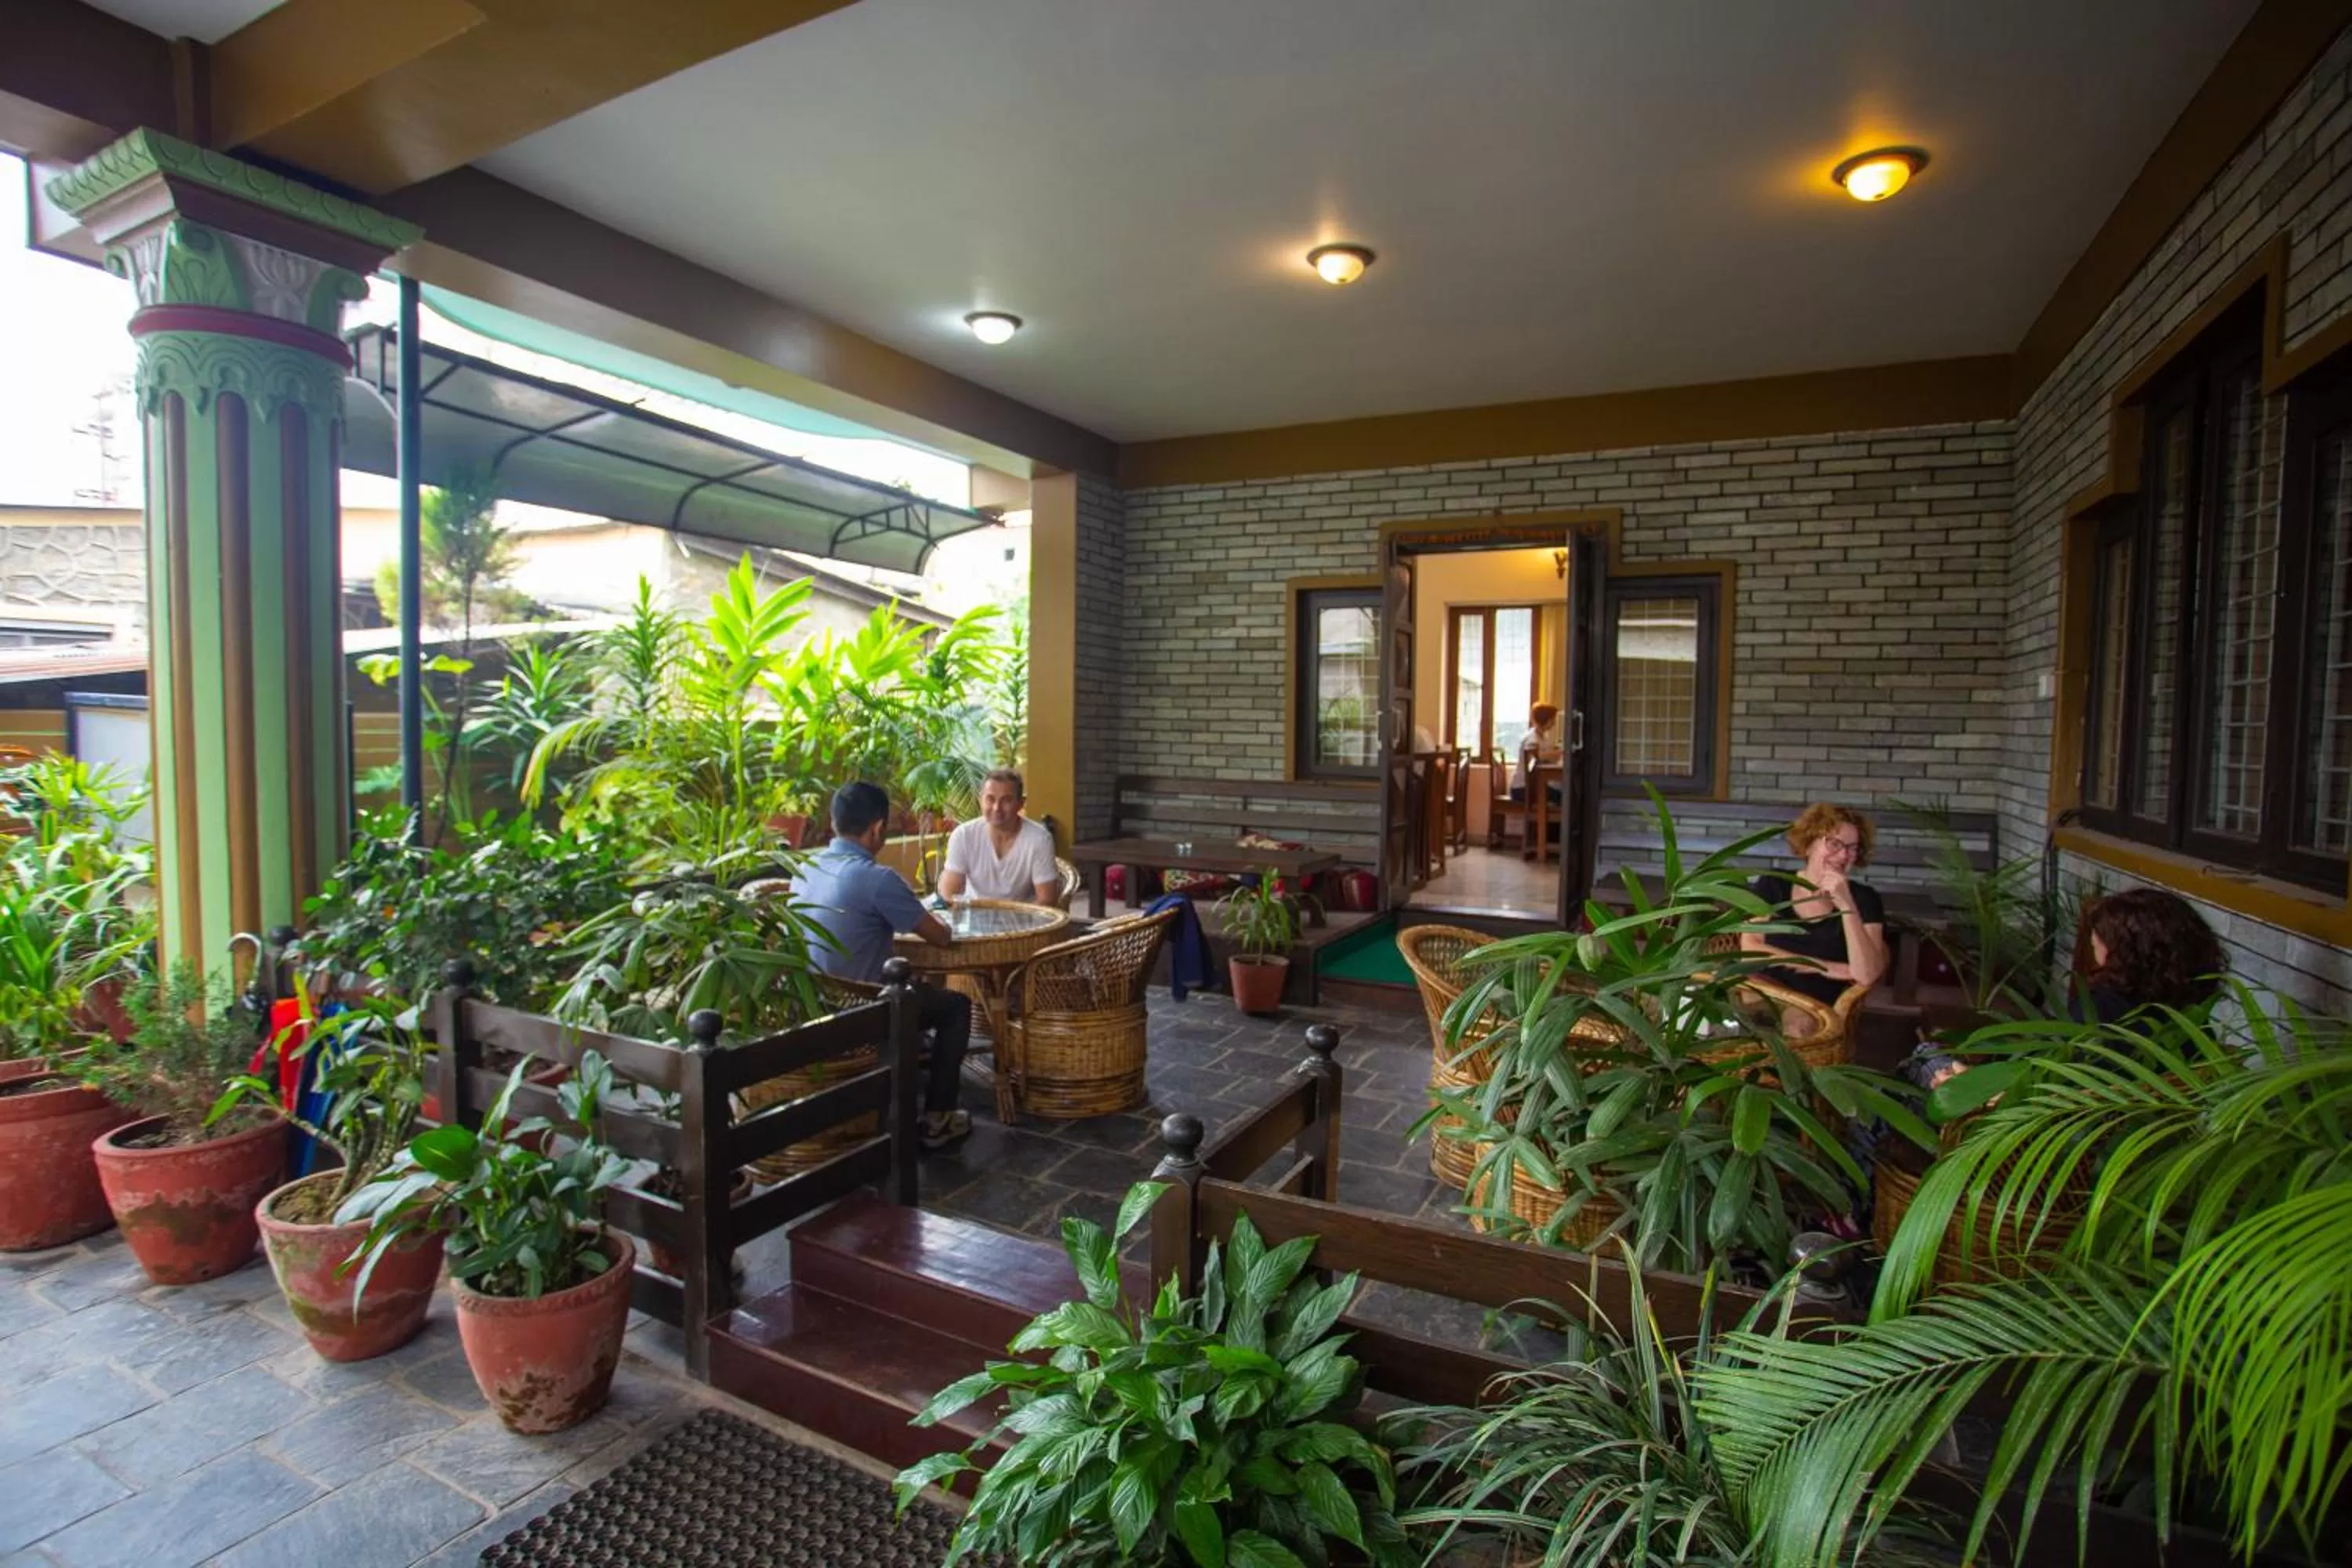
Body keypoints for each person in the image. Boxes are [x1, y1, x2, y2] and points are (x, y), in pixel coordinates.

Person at [793, 781, 973, 1149]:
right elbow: (939, 937)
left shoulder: (804, 868)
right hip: (865, 1009)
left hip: (814, 1001)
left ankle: (913, 1064)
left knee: (914, 983)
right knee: (956, 1006)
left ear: (834, 823)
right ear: (877, 828)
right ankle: (939, 1117)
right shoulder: (876, 879)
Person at [1740, 803, 1890, 1036]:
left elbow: (1867, 973)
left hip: (1810, 1003)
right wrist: (1824, 967)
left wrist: (1846, 904)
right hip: (1758, 987)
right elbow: (1750, 947)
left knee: (1798, 1027)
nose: (1843, 855)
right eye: (1834, 843)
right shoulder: (1773, 884)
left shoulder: (1864, 899)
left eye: (1852, 848)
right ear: (1809, 844)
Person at [2071, 887, 2226, 1023]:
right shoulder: (2189, 1004)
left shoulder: (2097, 1010)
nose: (2093, 939)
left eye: (2102, 934)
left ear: (2127, 950)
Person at [939, 769, 1058, 906]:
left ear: (1021, 803)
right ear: (980, 801)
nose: (997, 808)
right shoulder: (963, 836)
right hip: (974, 917)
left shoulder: (1039, 839)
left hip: (1022, 919)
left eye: (1006, 800)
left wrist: (1020, 923)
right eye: (990, 799)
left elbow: (1047, 900)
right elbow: (949, 894)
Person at [1509, 703, 1563, 800]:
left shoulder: (1542, 736)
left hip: (1530, 785)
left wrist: (1556, 751)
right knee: (1563, 797)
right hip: (1522, 788)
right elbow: (1539, 756)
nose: (1554, 723)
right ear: (1547, 720)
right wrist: (1560, 752)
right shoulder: (1532, 738)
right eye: (1553, 719)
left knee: (1561, 792)